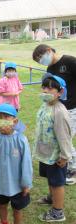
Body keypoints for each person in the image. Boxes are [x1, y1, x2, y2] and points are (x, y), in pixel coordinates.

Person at [33, 44, 76, 185]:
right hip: (58, 108)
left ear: (49, 51)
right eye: (38, 60)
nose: (41, 60)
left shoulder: (69, 61)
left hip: (73, 108)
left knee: (66, 138)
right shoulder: (50, 69)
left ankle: (72, 169)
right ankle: (69, 165)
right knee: (59, 138)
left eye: (41, 56)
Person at [0, 103, 33, 224]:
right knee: (2, 206)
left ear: (15, 121)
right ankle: (4, 222)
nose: (2, 120)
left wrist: (26, 183)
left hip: (17, 185)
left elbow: (26, 163)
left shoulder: (21, 140)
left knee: (17, 209)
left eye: (6, 117)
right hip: (0, 183)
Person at [34, 74, 72, 222]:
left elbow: (64, 136)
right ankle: (51, 199)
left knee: (57, 183)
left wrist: (64, 156)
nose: (46, 90)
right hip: (45, 152)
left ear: (60, 92)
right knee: (50, 180)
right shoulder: (45, 105)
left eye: (51, 88)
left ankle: (58, 212)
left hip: (56, 156)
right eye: (44, 87)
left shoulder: (59, 111)